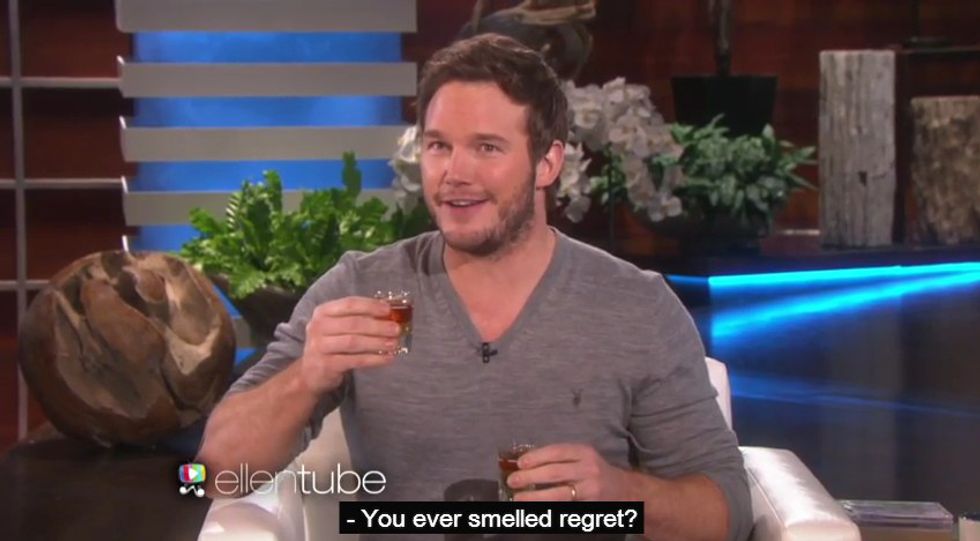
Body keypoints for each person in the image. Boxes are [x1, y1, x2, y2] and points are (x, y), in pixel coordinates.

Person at [196, 33, 751, 541]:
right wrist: (305, 377)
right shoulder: (361, 289)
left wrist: (623, 494)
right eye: (439, 146)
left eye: (487, 147)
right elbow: (212, 473)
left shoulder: (635, 307)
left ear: (547, 163)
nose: (454, 173)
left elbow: (727, 512)